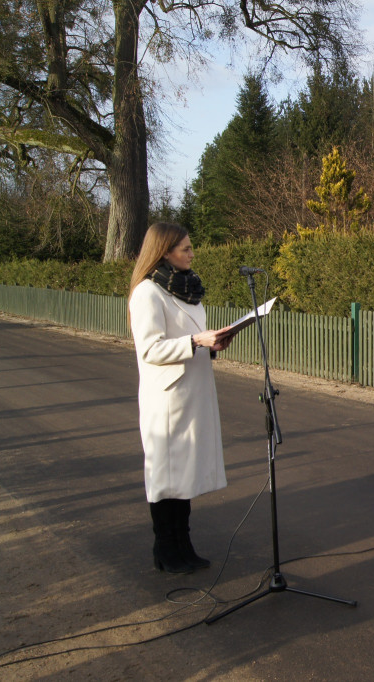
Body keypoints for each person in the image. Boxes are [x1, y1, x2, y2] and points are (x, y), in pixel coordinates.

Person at [128, 222, 231, 574]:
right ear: (164, 251)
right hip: (167, 396)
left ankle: (184, 543)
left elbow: (191, 335)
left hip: (193, 389)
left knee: (184, 471)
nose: (191, 253)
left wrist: (212, 343)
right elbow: (150, 348)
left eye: (190, 247)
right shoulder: (147, 292)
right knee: (165, 474)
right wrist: (195, 342)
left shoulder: (185, 289)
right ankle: (165, 547)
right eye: (184, 248)